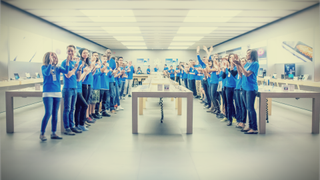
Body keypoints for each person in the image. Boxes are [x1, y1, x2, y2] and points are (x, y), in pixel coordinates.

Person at [40, 52, 70, 141]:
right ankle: (42, 133)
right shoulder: (44, 67)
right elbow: (46, 74)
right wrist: (50, 64)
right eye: (52, 55)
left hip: (57, 93)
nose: (54, 57)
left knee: (55, 114)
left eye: (55, 56)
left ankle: (54, 133)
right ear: (47, 58)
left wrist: (67, 63)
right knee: (48, 113)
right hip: (47, 93)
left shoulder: (58, 68)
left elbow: (66, 71)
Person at [233, 49, 259, 134]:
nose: (247, 54)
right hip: (244, 87)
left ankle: (254, 128)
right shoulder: (247, 63)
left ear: (253, 55)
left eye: (248, 53)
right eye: (247, 53)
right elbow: (241, 74)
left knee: (251, 108)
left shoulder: (255, 64)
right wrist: (237, 65)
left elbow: (247, 74)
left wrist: (240, 64)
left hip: (251, 88)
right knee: (248, 108)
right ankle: (250, 126)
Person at [61, 45, 81, 135]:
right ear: (66, 52)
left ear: (75, 52)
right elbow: (68, 75)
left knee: (72, 108)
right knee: (67, 109)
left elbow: (78, 78)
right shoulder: (64, 63)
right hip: (67, 89)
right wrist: (75, 67)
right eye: (68, 51)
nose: (70, 52)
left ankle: (72, 126)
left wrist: (79, 68)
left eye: (72, 51)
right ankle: (67, 128)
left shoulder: (75, 62)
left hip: (74, 88)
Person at [75, 48, 92, 132]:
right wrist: (84, 72)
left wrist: (86, 72)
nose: (85, 54)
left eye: (87, 53)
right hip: (79, 87)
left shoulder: (87, 63)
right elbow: (79, 79)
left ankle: (79, 124)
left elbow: (82, 78)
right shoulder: (79, 64)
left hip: (81, 87)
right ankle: (79, 124)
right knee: (81, 106)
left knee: (80, 106)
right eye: (84, 53)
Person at [222, 53, 238, 126]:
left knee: (237, 104)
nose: (231, 59)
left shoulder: (237, 67)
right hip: (228, 87)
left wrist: (232, 64)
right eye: (230, 57)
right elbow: (223, 76)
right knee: (229, 104)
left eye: (232, 57)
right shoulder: (227, 67)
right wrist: (224, 70)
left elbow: (234, 73)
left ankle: (238, 119)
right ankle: (229, 119)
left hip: (235, 87)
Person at [234, 57, 247, 128]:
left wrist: (239, 66)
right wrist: (237, 64)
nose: (243, 62)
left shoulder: (245, 70)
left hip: (242, 89)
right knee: (238, 106)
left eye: (243, 61)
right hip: (237, 89)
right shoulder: (239, 69)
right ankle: (239, 120)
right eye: (241, 61)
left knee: (243, 106)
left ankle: (243, 122)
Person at [105, 49, 117, 114]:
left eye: (109, 53)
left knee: (112, 94)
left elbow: (114, 69)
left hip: (111, 80)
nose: (108, 54)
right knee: (106, 95)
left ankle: (112, 108)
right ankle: (106, 108)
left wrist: (113, 71)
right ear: (105, 53)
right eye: (107, 53)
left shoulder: (113, 61)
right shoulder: (104, 61)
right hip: (105, 80)